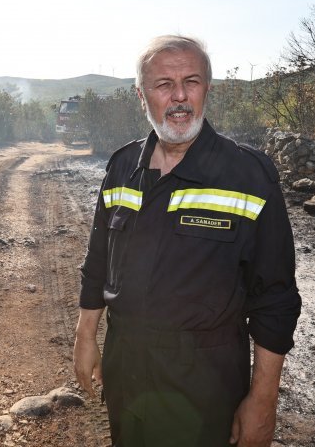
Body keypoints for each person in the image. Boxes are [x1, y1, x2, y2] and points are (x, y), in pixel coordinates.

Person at [74, 36, 301, 446]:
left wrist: (263, 401)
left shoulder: (248, 175)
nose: (179, 97)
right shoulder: (123, 166)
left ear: (207, 89)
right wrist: (85, 337)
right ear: (141, 95)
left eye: (191, 82)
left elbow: (276, 298)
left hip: (205, 385)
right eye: (164, 85)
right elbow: (98, 260)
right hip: (126, 370)